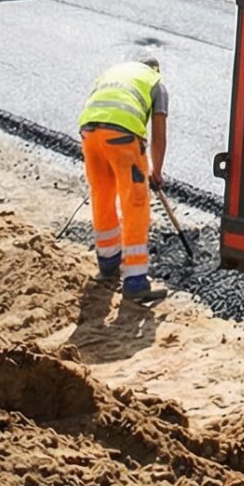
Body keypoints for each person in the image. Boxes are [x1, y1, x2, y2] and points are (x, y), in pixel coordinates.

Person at [78, 55, 170, 304]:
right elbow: (159, 135)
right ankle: (136, 280)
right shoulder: (156, 83)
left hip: (89, 133)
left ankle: (108, 263)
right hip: (121, 136)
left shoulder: (112, 73)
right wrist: (157, 172)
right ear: (155, 69)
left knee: (102, 195)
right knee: (135, 203)